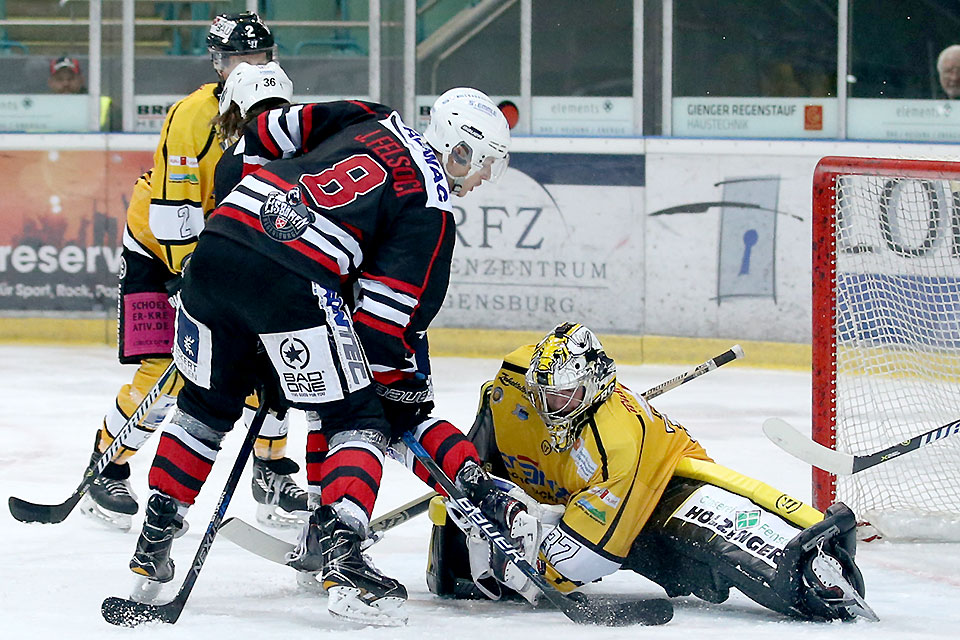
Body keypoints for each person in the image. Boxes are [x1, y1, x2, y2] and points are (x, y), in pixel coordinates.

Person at [126, 87, 516, 626]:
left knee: (203, 409)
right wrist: (388, 394)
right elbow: (382, 325)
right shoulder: (432, 206)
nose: (479, 182)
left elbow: (259, 136)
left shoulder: (371, 117)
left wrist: (248, 216)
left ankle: (155, 535)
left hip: (216, 248)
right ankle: (345, 556)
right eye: (485, 167)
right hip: (292, 283)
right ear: (461, 151)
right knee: (357, 417)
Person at [424, 322, 878, 622]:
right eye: (544, 395)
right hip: (572, 492)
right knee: (455, 562)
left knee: (701, 554)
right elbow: (488, 426)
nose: (548, 409)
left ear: (594, 383)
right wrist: (480, 486)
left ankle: (808, 566)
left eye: (562, 398)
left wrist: (524, 540)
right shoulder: (520, 381)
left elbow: (574, 563)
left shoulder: (618, 443)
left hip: (657, 484)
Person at [80, 12, 308, 533]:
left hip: (225, 254)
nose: (250, 67)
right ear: (219, 64)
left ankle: (271, 474)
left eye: (260, 58)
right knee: (166, 369)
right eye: (239, 59)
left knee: (273, 363)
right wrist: (186, 277)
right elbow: (174, 206)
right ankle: (108, 467)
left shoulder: (279, 113)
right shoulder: (192, 115)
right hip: (156, 249)